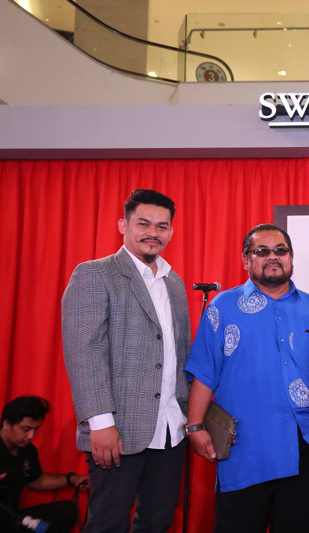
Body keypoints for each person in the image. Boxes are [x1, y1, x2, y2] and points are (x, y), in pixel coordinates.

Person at [185, 223, 309, 533]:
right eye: (261, 251)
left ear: (291, 257)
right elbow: (204, 372)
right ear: (245, 259)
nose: (272, 257)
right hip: (245, 448)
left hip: (305, 447)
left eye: (280, 250)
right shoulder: (222, 307)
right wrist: (195, 426)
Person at [61, 189, 191, 532]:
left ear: (171, 232)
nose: (153, 233)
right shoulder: (95, 274)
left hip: (170, 430)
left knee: (158, 521)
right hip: (117, 429)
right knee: (108, 523)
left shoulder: (174, 283)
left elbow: (179, 354)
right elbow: (85, 352)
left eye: (162, 226)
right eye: (143, 224)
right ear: (123, 225)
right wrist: (100, 423)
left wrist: (190, 417)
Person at [0, 396, 89, 533]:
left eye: (36, 429)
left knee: (67, 510)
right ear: (7, 424)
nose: (31, 436)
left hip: (13, 519)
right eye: (26, 429)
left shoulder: (28, 450)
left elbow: (36, 480)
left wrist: (71, 479)